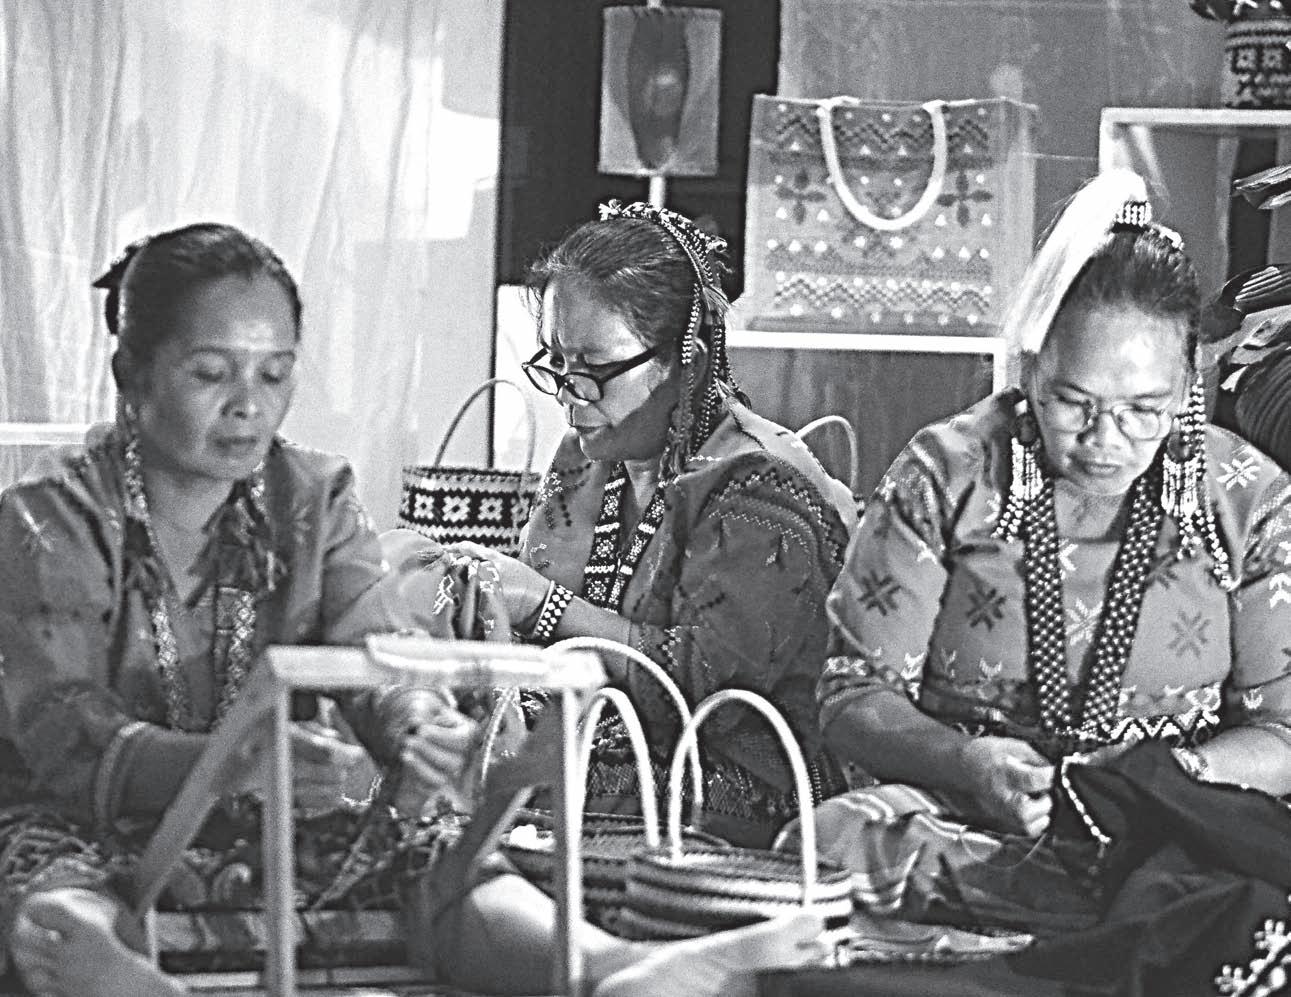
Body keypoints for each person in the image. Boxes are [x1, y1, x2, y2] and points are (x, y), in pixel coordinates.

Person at [0, 223, 828, 997]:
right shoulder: (53, 516)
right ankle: (116, 971)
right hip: (90, 820)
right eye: (212, 373)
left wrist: (417, 725)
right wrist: (230, 763)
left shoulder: (311, 498)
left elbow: (375, 649)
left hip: (266, 817)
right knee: (54, 898)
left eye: (274, 373)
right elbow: (64, 728)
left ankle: (610, 967)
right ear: (132, 373)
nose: (248, 404)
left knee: (439, 859)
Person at [799, 170, 1291, 941]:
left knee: (1222, 894)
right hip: (964, 817)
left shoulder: (1245, 497)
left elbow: (1282, 735)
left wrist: (1163, 782)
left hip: (1168, 835)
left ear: (1185, 382)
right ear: (1030, 368)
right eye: (1072, 402)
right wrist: (968, 765)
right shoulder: (948, 472)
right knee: (831, 842)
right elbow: (853, 696)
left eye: (1143, 409)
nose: (1104, 440)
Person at [457, 200, 855, 848]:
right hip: (606, 736)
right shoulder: (590, 457)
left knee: (504, 780)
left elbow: (707, 689)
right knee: (437, 745)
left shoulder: (760, 483)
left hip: (746, 779)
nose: (569, 393)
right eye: (556, 362)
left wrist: (543, 605)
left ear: (686, 361)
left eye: (594, 370)